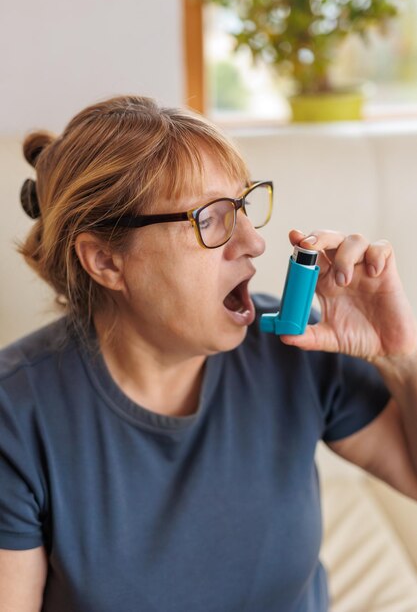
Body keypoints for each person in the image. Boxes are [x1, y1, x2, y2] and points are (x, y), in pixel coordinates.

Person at [0, 95, 417, 612]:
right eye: (211, 218)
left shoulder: (296, 347)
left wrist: (399, 354)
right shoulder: (15, 417)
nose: (253, 242)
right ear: (106, 260)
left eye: (242, 206)